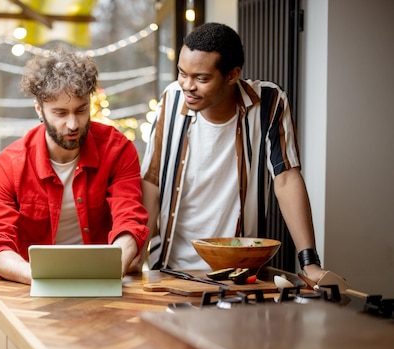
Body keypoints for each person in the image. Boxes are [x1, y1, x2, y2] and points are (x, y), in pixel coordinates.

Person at [139, 22, 336, 286]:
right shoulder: (171, 98)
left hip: (240, 274)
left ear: (232, 75)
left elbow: (286, 178)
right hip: (171, 270)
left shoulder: (268, 101)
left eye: (201, 78)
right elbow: (151, 181)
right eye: (182, 73)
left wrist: (310, 263)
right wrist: (136, 256)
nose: (187, 86)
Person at [0, 45, 149, 285]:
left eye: (81, 110)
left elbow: (130, 220)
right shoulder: (9, 165)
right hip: (33, 284)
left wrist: (112, 268)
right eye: (60, 113)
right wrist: (40, 277)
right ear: (39, 109)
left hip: (104, 280)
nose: (73, 124)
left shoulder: (117, 150)